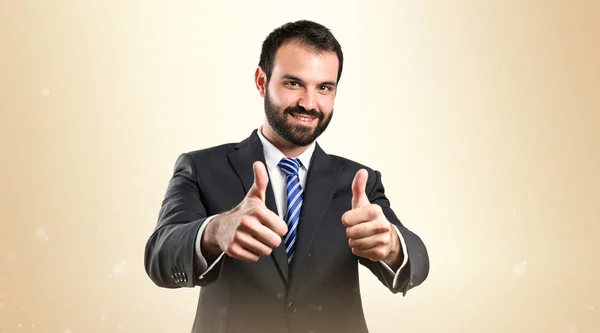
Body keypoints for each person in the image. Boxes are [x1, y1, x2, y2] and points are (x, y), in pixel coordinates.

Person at [144, 19, 429, 333]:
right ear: (261, 81)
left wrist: (391, 244)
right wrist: (214, 231)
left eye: (324, 87)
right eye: (293, 83)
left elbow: (416, 263)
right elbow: (160, 257)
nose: (309, 103)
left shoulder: (359, 181)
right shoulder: (202, 168)